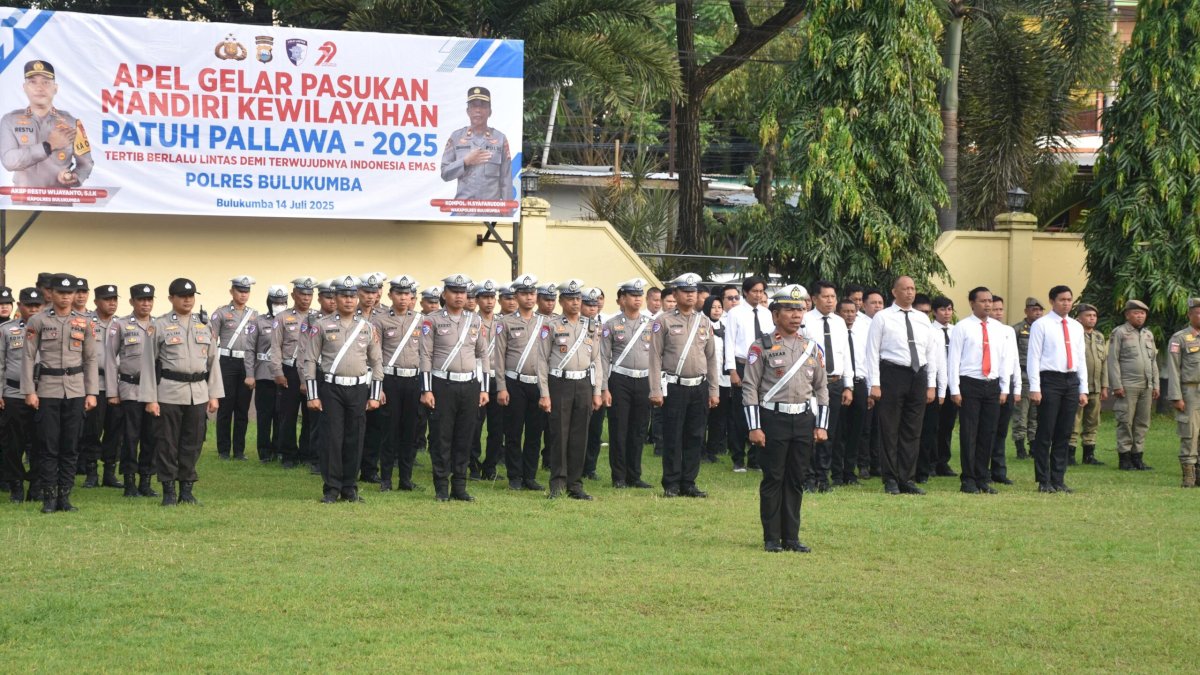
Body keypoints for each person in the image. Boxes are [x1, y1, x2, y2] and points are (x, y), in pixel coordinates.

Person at [743, 284, 828, 553]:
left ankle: (791, 537)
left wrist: (821, 425)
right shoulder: (762, 346)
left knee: (796, 479)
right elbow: (750, 388)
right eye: (789, 309)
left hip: (802, 420)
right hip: (773, 420)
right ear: (775, 314)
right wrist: (754, 427)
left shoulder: (812, 348)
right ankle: (771, 538)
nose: (795, 315)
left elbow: (821, 388)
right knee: (773, 479)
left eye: (800, 309)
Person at [139, 278, 222, 506]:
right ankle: (168, 491)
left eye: (191, 296)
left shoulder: (203, 325)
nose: (187, 300)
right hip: (169, 392)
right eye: (182, 296)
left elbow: (213, 362)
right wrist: (150, 398)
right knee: (167, 443)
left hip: (198, 391)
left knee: (193, 442)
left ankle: (187, 489)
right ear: (171, 299)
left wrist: (213, 395)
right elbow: (148, 364)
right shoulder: (160, 325)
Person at [22, 273, 98, 513]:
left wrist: (92, 392)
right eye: (61, 293)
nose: (66, 297)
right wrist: (29, 391)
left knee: (70, 445)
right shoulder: (38, 320)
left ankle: (65, 496)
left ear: (75, 295)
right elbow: (28, 357)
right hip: (47, 389)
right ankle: (49, 497)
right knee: (48, 445)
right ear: (51, 294)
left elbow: (90, 358)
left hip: (75, 390)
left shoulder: (85, 322)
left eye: (70, 293)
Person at [303, 275, 383, 503]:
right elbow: (310, 360)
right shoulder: (321, 326)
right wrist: (312, 394)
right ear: (335, 298)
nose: (348, 300)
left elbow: (377, 362)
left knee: (354, 438)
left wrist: (375, 395)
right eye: (343, 296)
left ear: (357, 298)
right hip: (331, 389)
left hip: (358, 390)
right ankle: (331, 488)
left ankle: (350, 487)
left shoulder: (367, 328)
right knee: (332, 438)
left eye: (351, 296)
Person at [865, 276, 939, 495]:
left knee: (913, 429)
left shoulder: (922, 319)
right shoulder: (882, 317)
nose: (910, 292)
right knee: (889, 428)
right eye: (905, 289)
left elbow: (930, 352)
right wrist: (875, 384)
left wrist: (931, 384)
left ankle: (906, 477)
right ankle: (890, 478)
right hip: (892, 373)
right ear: (894, 292)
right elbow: (872, 351)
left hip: (918, 374)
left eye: (913, 289)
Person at [649, 272, 720, 498]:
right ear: (676, 293)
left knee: (695, 435)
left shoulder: (704, 321)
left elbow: (711, 358)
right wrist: (655, 389)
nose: (690, 296)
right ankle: (671, 483)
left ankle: (689, 482)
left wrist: (714, 389)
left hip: (699, 386)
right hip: (674, 386)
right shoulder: (663, 321)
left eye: (694, 292)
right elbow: (654, 357)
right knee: (673, 435)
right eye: (685, 292)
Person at [419, 274, 489, 502]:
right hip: (442, 384)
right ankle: (441, 487)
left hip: (469, 385)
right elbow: (426, 356)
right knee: (441, 437)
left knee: (465, 437)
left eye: (463, 292)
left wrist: (483, 388)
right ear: (444, 294)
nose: (459, 296)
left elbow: (482, 355)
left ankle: (460, 486)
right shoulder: (432, 320)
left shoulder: (475, 321)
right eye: (454, 292)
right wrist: (426, 390)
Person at [537, 279, 602, 499]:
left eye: (578, 299)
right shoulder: (552, 325)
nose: (575, 303)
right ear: (562, 301)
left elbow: (597, 361)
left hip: (583, 383)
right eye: (570, 299)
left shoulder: (591, 326)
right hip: (560, 384)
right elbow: (542, 361)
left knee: (579, 435)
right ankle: (557, 483)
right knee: (559, 435)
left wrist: (597, 391)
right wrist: (544, 393)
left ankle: (575, 484)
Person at [947, 287, 1008, 494]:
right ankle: (968, 479)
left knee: (988, 432)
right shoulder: (962, 327)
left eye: (990, 301)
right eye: (983, 301)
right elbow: (953, 360)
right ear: (972, 303)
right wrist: (955, 389)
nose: (988, 305)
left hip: (992, 383)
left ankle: (983, 477)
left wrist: (1004, 388)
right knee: (969, 432)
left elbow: (1003, 359)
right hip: (970, 383)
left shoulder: (999, 329)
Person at [1027, 285, 1088, 493]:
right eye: (1062, 299)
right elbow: (1033, 357)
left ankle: (1058, 478)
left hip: (1071, 380)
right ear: (1052, 301)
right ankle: (1043, 479)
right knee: (1046, 431)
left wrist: (1083, 388)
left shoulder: (1076, 326)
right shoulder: (1041, 325)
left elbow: (1081, 358)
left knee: (1064, 432)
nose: (1067, 303)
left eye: (1069, 299)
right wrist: (1035, 387)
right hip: (1049, 380)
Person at [1, 60, 94, 189]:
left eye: (45, 82)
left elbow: (86, 164)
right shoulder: (10, 121)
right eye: (33, 82)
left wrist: (74, 177)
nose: (39, 88)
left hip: (60, 202)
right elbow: (9, 162)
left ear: (55, 88)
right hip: (22, 202)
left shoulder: (72, 122)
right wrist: (49, 146)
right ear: (24, 87)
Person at [495, 274, 548, 491]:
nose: (529, 297)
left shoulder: (545, 323)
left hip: (537, 384)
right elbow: (499, 356)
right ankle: (514, 477)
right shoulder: (505, 323)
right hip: (514, 383)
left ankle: (530, 476)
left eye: (532, 293)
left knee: (535, 433)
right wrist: (501, 387)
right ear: (516, 295)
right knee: (514, 432)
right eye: (524, 293)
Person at [599, 278, 653, 489]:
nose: (637, 299)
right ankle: (619, 476)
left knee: (639, 430)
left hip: (643, 379)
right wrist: (604, 388)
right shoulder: (611, 325)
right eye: (633, 295)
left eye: (640, 295)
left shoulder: (650, 324)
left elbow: (656, 357)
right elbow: (603, 357)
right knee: (619, 429)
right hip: (619, 380)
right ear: (622, 299)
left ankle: (634, 475)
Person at [106, 283, 158, 498]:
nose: (145, 303)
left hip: (154, 391)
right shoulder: (121, 325)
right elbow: (110, 358)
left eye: (149, 299)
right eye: (141, 299)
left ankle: (145, 481)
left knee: (151, 436)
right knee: (129, 437)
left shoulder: (160, 326)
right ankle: (129, 482)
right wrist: (112, 392)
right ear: (132, 302)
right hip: (130, 389)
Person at [371, 275, 422, 491]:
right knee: (389, 431)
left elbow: (426, 353)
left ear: (412, 296)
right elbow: (375, 355)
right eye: (398, 293)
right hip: (390, 380)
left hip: (413, 380)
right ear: (391, 295)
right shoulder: (380, 320)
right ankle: (386, 479)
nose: (403, 298)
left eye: (407, 294)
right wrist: (378, 386)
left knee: (410, 432)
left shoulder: (420, 320)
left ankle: (406, 479)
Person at [802, 281, 853, 491]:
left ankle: (823, 477)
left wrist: (848, 385)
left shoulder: (840, 322)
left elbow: (846, 354)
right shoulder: (804, 320)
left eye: (833, 296)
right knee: (810, 430)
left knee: (829, 432)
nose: (830, 300)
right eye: (826, 296)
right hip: (811, 384)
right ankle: (808, 477)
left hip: (834, 383)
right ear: (814, 299)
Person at [724, 276, 774, 472]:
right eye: (755, 291)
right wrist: (732, 371)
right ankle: (738, 458)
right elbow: (729, 342)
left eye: (761, 291)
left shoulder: (767, 313)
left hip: (763, 366)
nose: (758, 295)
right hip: (742, 364)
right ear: (745, 292)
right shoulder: (735, 313)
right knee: (740, 412)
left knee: (761, 411)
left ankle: (756, 458)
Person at [79, 283, 124, 489]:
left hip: (117, 385)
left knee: (115, 431)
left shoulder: (122, 324)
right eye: (107, 299)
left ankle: (109, 473)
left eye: (115, 299)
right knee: (92, 430)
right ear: (96, 301)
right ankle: (91, 473)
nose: (112, 303)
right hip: (94, 384)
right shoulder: (85, 322)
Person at [1, 287, 42, 503]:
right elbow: (0, 364)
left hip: (42, 393)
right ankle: (15, 485)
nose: (33, 309)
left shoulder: (51, 328)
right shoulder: (7, 330)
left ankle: (35, 485)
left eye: (37, 305)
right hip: (14, 393)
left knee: (40, 441)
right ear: (20, 306)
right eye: (29, 305)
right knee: (13, 442)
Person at [210, 275, 258, 461]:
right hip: (226, 362)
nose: (243, 295)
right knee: (225, 407)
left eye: (246, 291)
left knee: (242, 408)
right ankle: (223, 450)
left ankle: (239, 450)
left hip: (246, 363)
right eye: (240, 291)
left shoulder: (254, 315)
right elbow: (212, 340)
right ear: (232, 291)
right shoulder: (220, 313)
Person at [439, 87, 513, 206]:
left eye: (483, 106)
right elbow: (445, 174)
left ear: (490, 111)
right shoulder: (456, 137)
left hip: (490, 211)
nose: (478, 110)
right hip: (463, 210)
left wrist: (507, 214)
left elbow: (506, 179)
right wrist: (465, 161)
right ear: (468, 111)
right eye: (474, 106)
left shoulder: (500, 139)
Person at [1108, 299, 1158, 471]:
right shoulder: (1119, 332)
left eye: (1143, 313)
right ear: (1127, 315)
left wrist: (1156, 385)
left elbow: (1153, 362)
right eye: (1136, 313)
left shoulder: (1148, 335)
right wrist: (1116, 385)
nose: (1140, 316)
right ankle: (1124, 458)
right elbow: (1113, 360)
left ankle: (1138, 457)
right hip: (1127, 385)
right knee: (1125, 422)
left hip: (1146, 386)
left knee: (1142, 423)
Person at [273, 277, 317, 470]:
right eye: (302, 294)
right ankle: (288, 454)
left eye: (309, 294)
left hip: (311, 370)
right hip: (289, 371)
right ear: (293, 295)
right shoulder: (282, 317)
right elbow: (275, 347)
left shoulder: (318, 318)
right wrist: (277, 371)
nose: (306, 298)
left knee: (311, 414)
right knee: (288, 414)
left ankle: (307, 453)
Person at [242, 285, 288, 463]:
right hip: (263, 374)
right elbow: (249, 350)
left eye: (282, 302)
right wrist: (250, 374)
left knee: (281, 415)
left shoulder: (288, 320)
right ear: (269, 302)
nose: (279, 305)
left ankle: (279, 448)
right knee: (264, 415)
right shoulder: (259, 322)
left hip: (283, 375)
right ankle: (264, 451)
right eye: (276, 302)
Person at [469, 279, 504, 481]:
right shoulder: (470, 321)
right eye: (485, 297)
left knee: (497, 427)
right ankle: (472, 465)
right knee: (475, 425)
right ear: (478, 299)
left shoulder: (502, 322)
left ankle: (490, 467)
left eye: (492, 297)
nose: (489, 302)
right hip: (477, 378)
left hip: (496, 379)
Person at [919, 296, 957, 481]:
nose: (947, 313)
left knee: (947, 425)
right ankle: (931, 462)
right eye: (943, 309)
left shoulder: (955, 331)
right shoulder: (930, 330)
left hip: (952, 382)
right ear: (934, 312)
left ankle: (944, 460)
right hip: (934, 382)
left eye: (949, 309)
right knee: (933, 425)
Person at [357, 272, 388, 483]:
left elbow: (383, 353)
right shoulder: (349, 313)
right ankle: (350, 467)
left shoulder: (385, 316)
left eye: (375, 291)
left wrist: (381, 386)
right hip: (355, 376)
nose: (371, 296)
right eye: (367, 292)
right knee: (354, 425)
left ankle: (369, 469)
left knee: (375, 427)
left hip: (376, 376)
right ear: (358, 293)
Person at [1069, 303, 1109, 466]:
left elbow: (1104, 362)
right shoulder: (1073, 334)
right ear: (1079, 318)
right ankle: (1069, 454)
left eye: (1094, 316)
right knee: (1074, 420)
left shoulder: (1099, 337)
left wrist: (1105, 386)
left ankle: (1089, 454)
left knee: (1092, 421)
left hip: (1096, 386)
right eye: (1088, 315)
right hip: (1078, 386)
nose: (1092, 318)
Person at [1166, 298, 1200, 487]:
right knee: (1190, 434)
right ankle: (1188, 476)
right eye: (1198, 312)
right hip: (1190, 392)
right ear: (1190, 315)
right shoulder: (1179, 338)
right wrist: (1176, 396)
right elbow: (1173, 369)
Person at [834, 298, 867, 486]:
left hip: (860, 383)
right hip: (841, 384)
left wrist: (870, 389)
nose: (849, 315)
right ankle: (837, 473)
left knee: (856, 430)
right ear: (839, 313)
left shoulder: (862, 332)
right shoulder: (837, 333)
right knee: (839, 431)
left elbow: (868, 361)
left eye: (852, 311)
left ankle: (850, 472)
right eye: (845, 311)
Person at [988, 296, 1019, 486]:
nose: (998, 313)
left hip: (1006, 383)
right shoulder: (984, 329)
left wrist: (1017, 387)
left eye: (1000, 309)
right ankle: (982, 469)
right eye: (995, 309)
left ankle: (999, 470)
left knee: (1001, 430)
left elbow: (1014, 359)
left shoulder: (1008, 331)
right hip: (990, 381)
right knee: (987, 430)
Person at [856, 288, 885, 479]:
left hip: (888, 381)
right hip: (868, 381)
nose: (877, 306)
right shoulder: (859, 324)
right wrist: (869, 387)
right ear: (864, 305)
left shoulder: (887, 322)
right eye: (873, 303)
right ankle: (863, 464)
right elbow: (864, 358)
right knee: (865, 427)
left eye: (880, 303)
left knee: (881, 427)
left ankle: (878, 464)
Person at [1010, 297, 1043, 459]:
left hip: (1038, 376)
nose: (1037, 313)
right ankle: (1020, 446)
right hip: (1023, 375)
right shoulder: (1017, 329)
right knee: (1021, 413)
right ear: (1026, 311)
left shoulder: (1043, 329)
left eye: (1039, 310)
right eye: (1034, 310)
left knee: (1035, 414)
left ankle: (1034, 445)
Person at [581, 287, 607, 479]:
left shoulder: (604, 324)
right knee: (578, 427)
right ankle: (575, 465)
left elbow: (602, 358)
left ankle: (590, 467)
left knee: (595, 428)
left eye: (596, 303)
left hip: (598, 379)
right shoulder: (574, 325)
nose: (593, 307)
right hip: (578, 380)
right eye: (589, 304)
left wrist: (602, 387)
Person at [701, 294, 730, 464]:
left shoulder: (726, 328)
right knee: (703, 417)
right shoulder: (702, 325)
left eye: (719, 307)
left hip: (723, 379)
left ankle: (713, 450)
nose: (717, 310)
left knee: (718, 417)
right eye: (713, 307)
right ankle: (700, 450)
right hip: (706, 378)